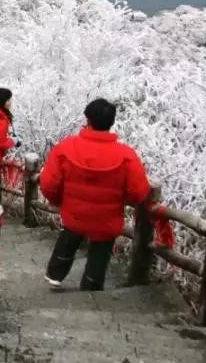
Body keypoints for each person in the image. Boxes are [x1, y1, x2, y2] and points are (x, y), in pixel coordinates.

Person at [41, 99, 151, 291]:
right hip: (107, 218)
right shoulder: (126, 156)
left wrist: (58, 201)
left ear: (87, 119)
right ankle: (91, 286)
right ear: (111, 122)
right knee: (101, 249)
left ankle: (55, 274)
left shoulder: (66, 148)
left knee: (70, 235)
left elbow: (49, 183)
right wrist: (124, 200)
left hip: (74, 213)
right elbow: (139, 192)